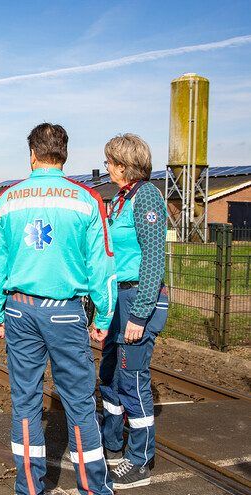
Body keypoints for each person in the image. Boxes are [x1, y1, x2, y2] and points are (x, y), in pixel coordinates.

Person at [0, 123, 117, 495]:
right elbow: (103, 265)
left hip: (19, 309)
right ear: (65, 154)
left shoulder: (7, 200)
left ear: (32, 154)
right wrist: (104, 316)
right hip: (65, 312)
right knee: (79, 402)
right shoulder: (87, 200)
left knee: (25, 401)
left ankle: (28, 486)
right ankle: (93, 488)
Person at [98, 134, 168, 489]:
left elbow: (154, 258)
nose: (106, 167)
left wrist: (139, 316)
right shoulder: (119, 201)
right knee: (109, 372)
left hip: (140, 298)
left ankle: (140, 459)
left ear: (124, 166)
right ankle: (111, 442)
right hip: (117, 298)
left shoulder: (147, 197)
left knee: (132, 376)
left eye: (110, 162)